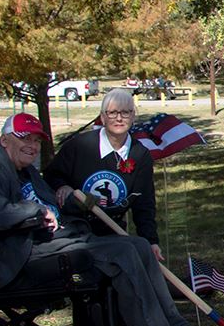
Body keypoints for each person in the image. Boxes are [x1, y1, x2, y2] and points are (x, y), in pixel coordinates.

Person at [0, 113, 209, 326]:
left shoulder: (24, 170)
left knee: (138, 245)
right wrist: (34, 211)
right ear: (4, 140)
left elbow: (54, 201)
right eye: (24, 139)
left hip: (55, 240)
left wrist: (79, 200)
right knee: (121, 254)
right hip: (20, 255)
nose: (31, 145)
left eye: (36, 140)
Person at [45, 89, 162, 261]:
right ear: (102, 116)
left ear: (133, 115)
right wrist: (63, 186)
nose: (119, 118)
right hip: (75, 231)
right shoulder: (79, 146)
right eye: (113, 112)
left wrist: (151, 241)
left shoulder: (141, 155)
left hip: (113, 231)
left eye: (125, 112)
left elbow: (143, 203)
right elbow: (50, 176)